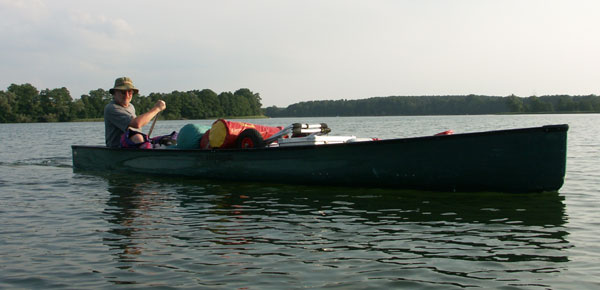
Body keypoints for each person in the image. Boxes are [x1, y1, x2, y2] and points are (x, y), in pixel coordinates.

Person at [104, 77, 166, 148]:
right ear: (114, 93)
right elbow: (137, 124)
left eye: (130, 92)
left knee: (166, 140)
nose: (127, 95)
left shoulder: (131, 107)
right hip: (117, 149)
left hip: (133, 145)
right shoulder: (111, 108)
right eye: (123, 92)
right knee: (137, 137)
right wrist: (157, 108)